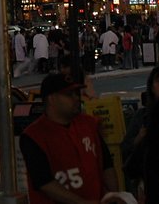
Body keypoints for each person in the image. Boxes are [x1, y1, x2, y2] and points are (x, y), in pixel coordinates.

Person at [21, 73, 117, 204]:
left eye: (76, 93)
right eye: (69, 95)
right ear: (51, 99)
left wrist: (115, 195)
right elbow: (43, 182)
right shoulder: (33, 136)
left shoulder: (89, 124)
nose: (76, 98)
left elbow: (106, 164)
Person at [123, 65, 159, 176]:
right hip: (149, 174)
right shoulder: (142, 116)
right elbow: (125, 147)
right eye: (158, 80)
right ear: (152, 87)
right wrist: (139, 138)